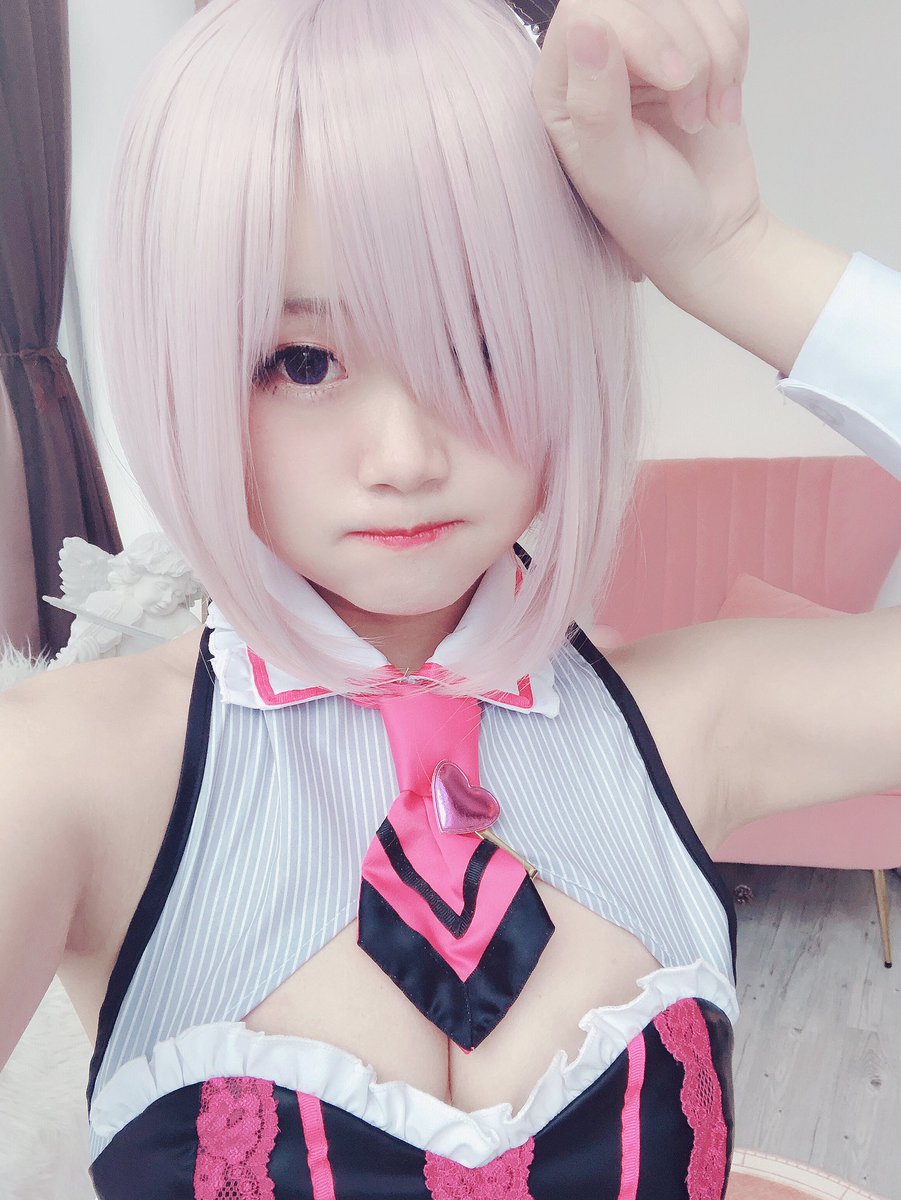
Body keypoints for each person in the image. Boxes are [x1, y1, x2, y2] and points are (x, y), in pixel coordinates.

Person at [1, 0, 898, 1196]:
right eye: (304, 361)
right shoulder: (67, 775)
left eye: (477, 345)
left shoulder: (694, 720)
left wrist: (731, 253)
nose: (406, 455)